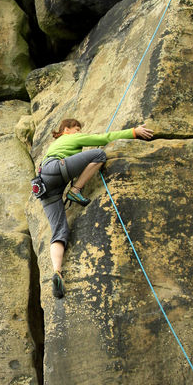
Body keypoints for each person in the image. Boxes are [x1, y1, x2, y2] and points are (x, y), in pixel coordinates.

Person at [38, 118, 153, 298]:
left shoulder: (53, 147)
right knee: (99, 155)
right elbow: (102, 138)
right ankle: (76, 190)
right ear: (66, 129)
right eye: (76, 129)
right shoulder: (69, 138)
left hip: (43, 185)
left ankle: (57, 271)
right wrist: (134, 132)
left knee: (59, 231)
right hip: (56, 169)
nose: (79, 132)